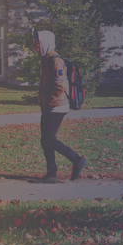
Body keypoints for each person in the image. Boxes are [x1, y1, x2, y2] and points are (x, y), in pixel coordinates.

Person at [33, 30, 87, 183]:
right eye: (34, 44)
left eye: (37, 43)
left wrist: (50, 97)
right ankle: (51, 174)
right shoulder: (47, 60)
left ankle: (76, 160)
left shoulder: (56, 61)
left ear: (45, 43)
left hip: (57, 105)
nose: (35, 47)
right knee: (45, 140)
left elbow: (60, 84)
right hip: (49, 105)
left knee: (49, 139)